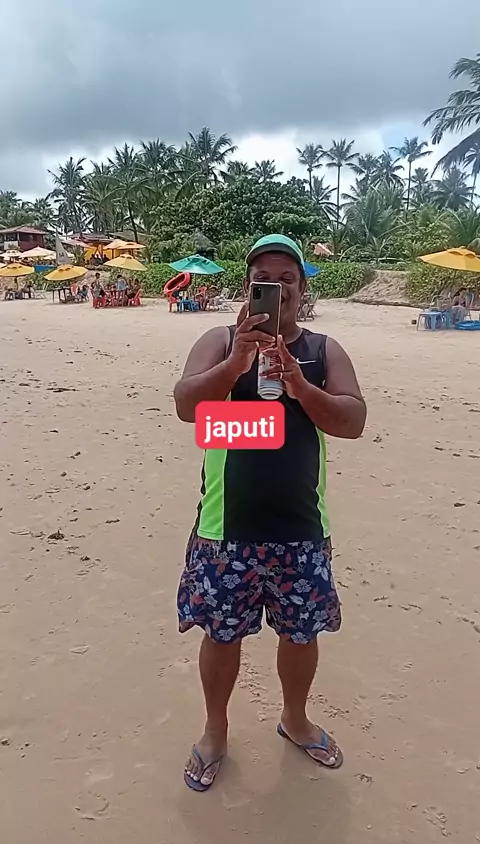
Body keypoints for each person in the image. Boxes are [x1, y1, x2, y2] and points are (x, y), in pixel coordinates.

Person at [174, 234, 367, 791]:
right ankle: (215, 730)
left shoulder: (323, 350)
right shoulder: (219, 340)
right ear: (248, 288)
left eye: (287, 279)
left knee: (301, 636)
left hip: (301, 528)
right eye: (265, 279)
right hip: (225, 528)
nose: (277, 289)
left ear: (302, 289)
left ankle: (295, 719)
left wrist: (300, 385)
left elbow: (353, 422)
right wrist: (237, 361)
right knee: (221, 635)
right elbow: (187, 406)